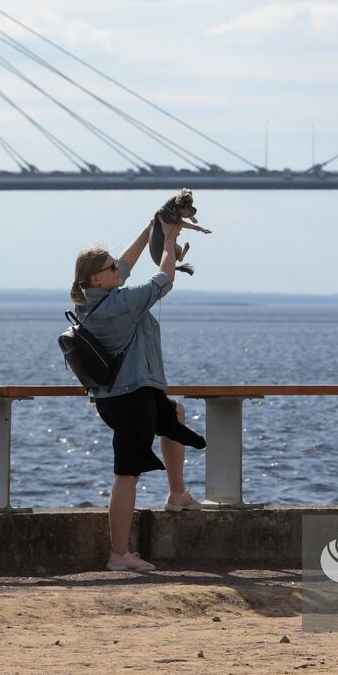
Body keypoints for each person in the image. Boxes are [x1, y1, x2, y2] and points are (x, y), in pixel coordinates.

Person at [71, 214, 207, 573]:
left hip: (127, 394)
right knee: (127, 473)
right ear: (95, 278)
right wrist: (169, 242)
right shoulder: (118, 304)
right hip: (129, 398)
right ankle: (119, 554)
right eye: (110, 266)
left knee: (173, 414)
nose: (118, 267)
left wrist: (153, 228)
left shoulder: (98, 299)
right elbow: (163, 281)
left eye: (115, 263)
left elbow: (128, 263)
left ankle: (177, 494)